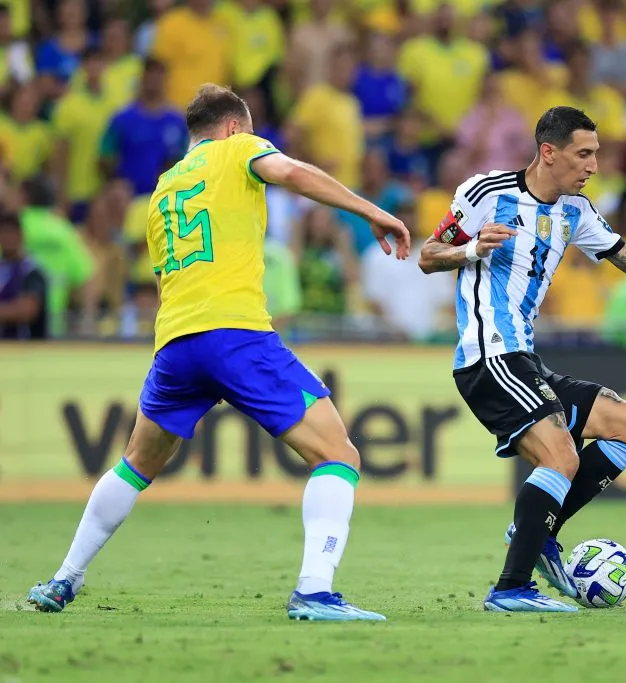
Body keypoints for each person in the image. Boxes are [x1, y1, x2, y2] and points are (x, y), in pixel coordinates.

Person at [27, 84, 411, 622]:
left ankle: (64, 578)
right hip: (236, 334)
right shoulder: (241, 149)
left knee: (136, 464)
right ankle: (315, 592)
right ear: (234, 127)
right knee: (338, 455)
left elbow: (163, 276)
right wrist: (370, 210)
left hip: (175, 343)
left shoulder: (162, 190)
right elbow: (294, 173)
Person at [418, 106, 626, 613]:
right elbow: (428, 255)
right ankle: (511, 588)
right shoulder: (484, 193)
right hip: (487, 355)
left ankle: (540, 526)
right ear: (549, 152)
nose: (593, 165)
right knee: (562, 455)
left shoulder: (576, 211)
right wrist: (469, 252)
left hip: (524, 358)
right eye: (584, 153)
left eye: (596, 154)